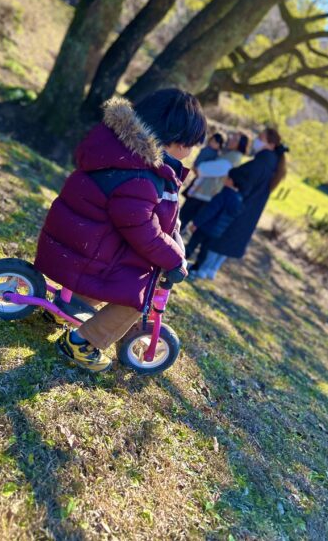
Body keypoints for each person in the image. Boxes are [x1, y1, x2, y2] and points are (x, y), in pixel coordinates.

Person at [34, 89, 207, 372]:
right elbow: (142, 228)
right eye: (189, 145)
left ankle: (68, 306)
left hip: (80, 245)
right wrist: (174, 260)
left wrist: (173, 232)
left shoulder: (124, 154)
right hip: (87, 255)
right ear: (174, 139)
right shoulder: (141, 175)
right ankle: (83, 342)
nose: (189, 153)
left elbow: (154, 214)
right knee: (140, 295)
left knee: (123, 271)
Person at [194, 127, 288, 280]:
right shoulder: (272, 165)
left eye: (261, 138)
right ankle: (212, 269)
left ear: (271, 145)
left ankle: (203, 268)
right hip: (250, 210)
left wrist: (233, 176)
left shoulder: (262, 162)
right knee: (232, 240)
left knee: (221, 237)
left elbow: (240, 176)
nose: (257, 140)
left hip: (239, 205)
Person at [179, 132, 248, 231]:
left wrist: (200, 167)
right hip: (204, 193)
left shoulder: (234, 157)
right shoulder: (229, 153)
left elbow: (204, 169)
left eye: (235, 139)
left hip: (204, 194)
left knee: (182, 220)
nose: (231, 139)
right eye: (232, 136)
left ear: (241, 144)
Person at [185, 178, 244, 271]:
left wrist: (196, 223)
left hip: (205, 227)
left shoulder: (223, 194)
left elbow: (209, 211)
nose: (225, 180)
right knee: (204, 251)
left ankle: (178, 264)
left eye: (228, 178)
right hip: (217, 232)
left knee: (191, 246)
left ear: (232, 181)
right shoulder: (239, 200)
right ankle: (195, 270)